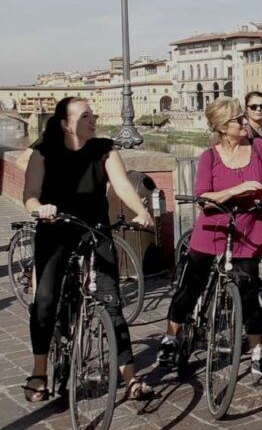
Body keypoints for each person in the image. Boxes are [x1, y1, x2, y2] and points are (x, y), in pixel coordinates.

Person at [21, 97, 156, 402]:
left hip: (95, 231)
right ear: (65, 123)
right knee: (44, 300)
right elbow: (29, 193)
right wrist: (39, 209)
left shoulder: (104, 150)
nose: (92, 120)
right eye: (84, 116)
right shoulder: (44, 153)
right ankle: (39, 371)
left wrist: (141, 211)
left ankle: (131, 379)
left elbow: (121, 186)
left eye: (92, 115)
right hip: (55, 230)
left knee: (112, 303)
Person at [157, 97, 262, 385]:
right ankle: (170, 336)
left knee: (248, 292)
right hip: (212, 228)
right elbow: (204, 198)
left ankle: (256, 353)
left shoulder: (259, 148)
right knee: (190, 287)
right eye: (238, 120)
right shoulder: (209, 157)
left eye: (243, 117)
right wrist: (239, 188)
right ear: (221, 127)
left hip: (248, 229)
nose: (245, 123)